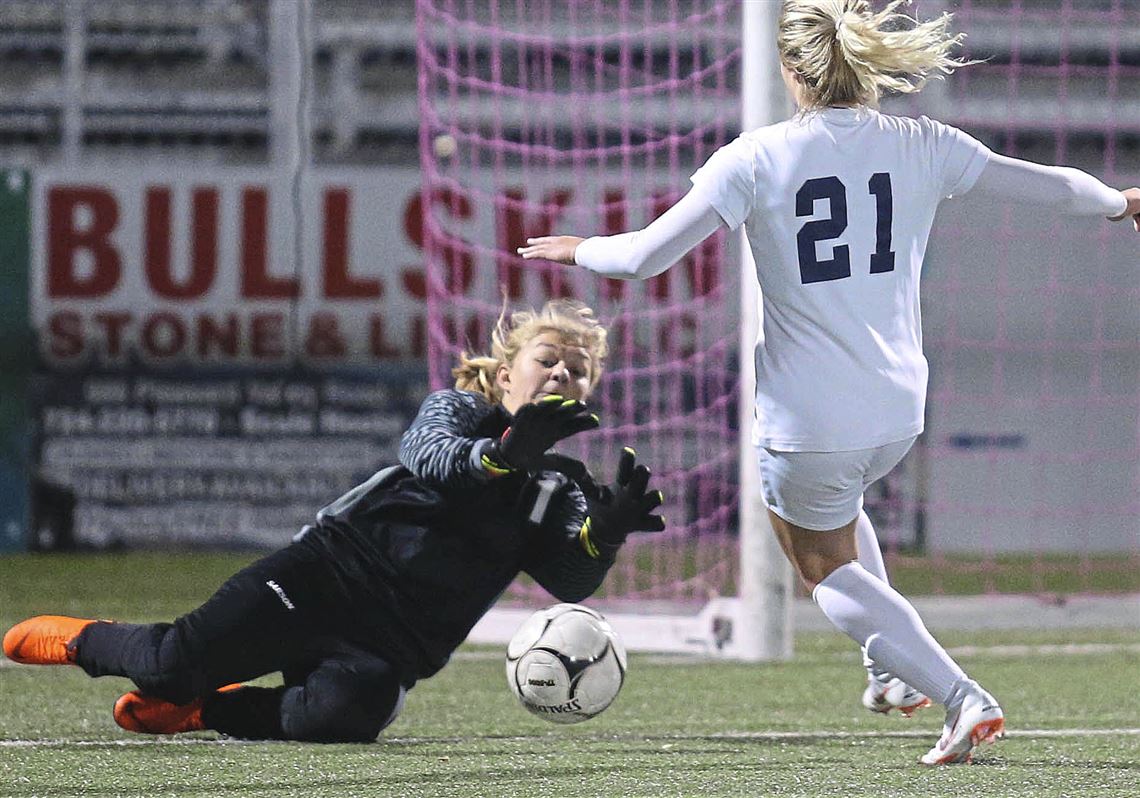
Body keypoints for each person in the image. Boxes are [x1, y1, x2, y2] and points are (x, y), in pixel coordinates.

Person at [517, 0, 1140, 766]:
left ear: (789, 71)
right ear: (864, 66)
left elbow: (644, 257)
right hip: (897, 405)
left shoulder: (754, 157)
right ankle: (887, 675)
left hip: (809, 414)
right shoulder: (924, 142)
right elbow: (1053, 185)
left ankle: (961, 697)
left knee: (818, 559)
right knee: (839, 513)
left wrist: (580, 250)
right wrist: (1120, 202)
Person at [3, 299, 665, 743]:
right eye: (546, 358)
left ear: (589, 393)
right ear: (505, 369)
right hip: (324, 578)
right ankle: (92, 639)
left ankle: (208, 708)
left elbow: (568, 580)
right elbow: (428, 456)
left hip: (392, 646)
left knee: (349, 718)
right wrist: (499, 456)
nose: (560, 373)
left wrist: (603, 536)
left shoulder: (564, 486)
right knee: (169, 664)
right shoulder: (461, 411)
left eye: (576, 370)